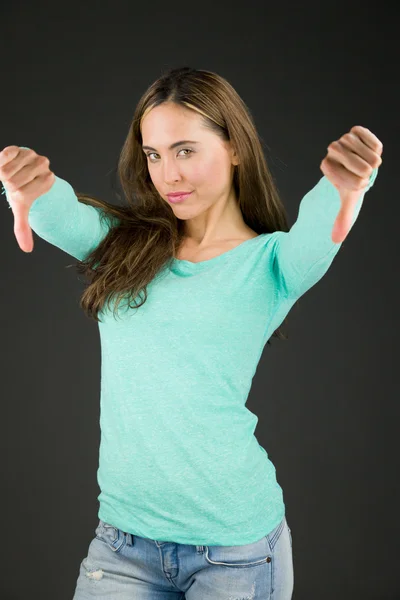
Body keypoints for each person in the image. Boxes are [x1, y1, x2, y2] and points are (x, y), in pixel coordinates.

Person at [1, 66, 382, 600]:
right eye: (154, 155)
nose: (168, 175)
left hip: (234, 552)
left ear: (235, 149)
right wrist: (27, 184)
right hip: (121, 544)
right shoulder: (125, 248)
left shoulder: (272, 265)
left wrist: (344, 187)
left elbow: (321, 227)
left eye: (185, 150)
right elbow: (59, 214)